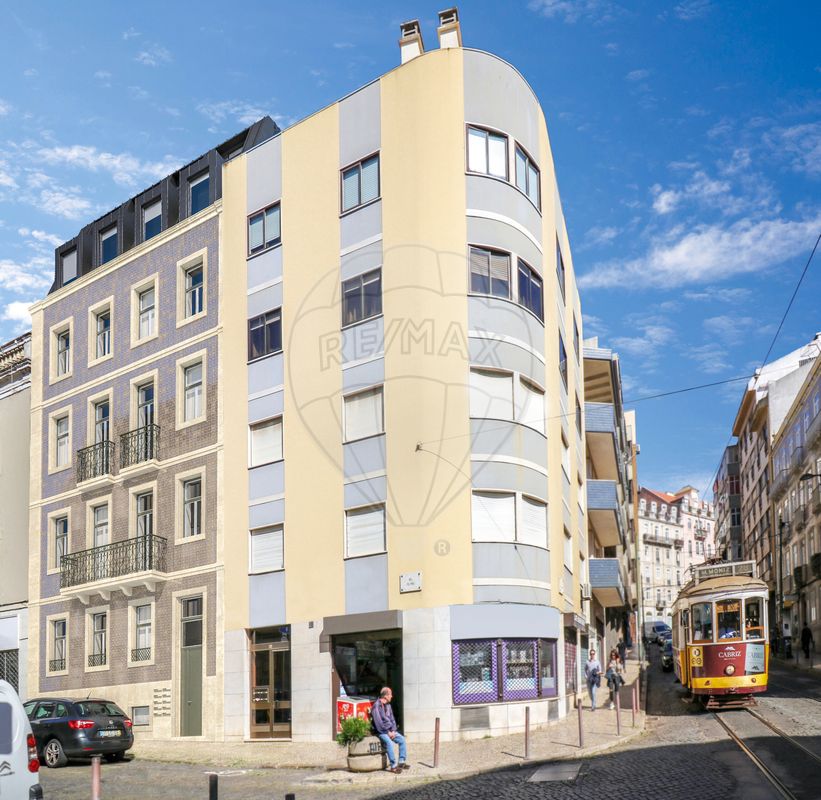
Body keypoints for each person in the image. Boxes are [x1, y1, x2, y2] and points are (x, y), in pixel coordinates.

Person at [371, 687, 409, 774]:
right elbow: (378, 723)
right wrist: (387, 732)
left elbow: (392, 719)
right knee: (389, 743)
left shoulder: (388, 705)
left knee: (402, 739)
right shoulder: (376, 706)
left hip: (390, 731)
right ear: (386, 696)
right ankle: (393, 766)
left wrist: (393, 730)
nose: (392, 696)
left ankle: (401, 762)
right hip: (381, 732)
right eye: (390, 694)